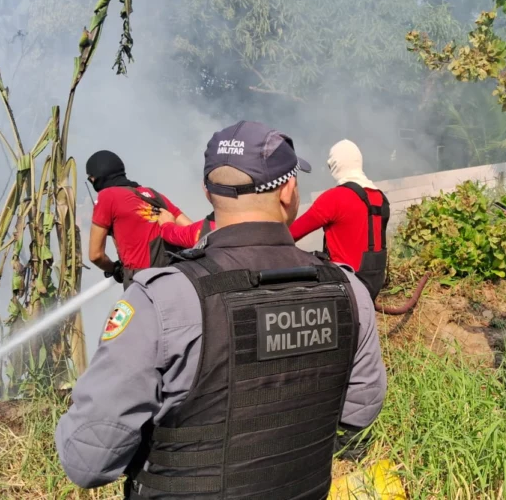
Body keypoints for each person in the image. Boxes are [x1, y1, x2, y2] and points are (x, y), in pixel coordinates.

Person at [57, 121, 387, 499]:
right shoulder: (350, 292)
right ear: (288, 192)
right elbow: (359, 412)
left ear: (207, 192)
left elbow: (86, 460)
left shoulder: (161, 302)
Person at [290, 139, 390, 301]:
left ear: (335, 165)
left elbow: (290, 234)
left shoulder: (335, 198)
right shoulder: (380, 197)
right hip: (373, 285)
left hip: (345, 289)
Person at [85, 150, 191, 288]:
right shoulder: (153, 195)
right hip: (176, 279)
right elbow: (192, 230)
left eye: (91, 178)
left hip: (143, 285)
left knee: (117, 311)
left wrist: (115, 269)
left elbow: (96, 255)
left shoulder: (107, 196)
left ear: (98, 176)